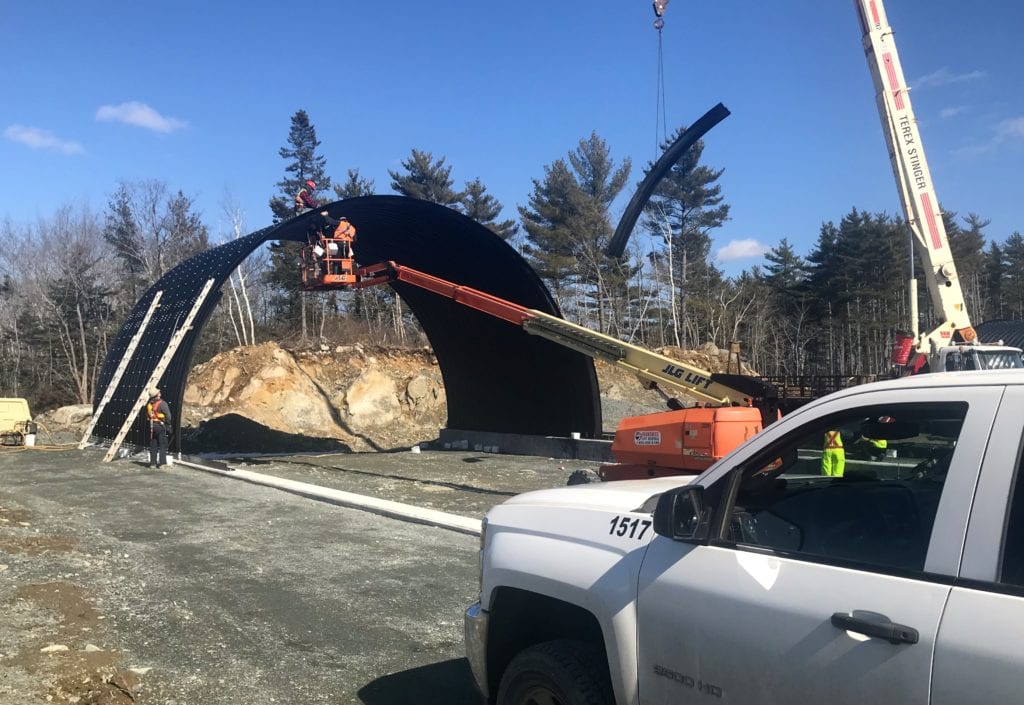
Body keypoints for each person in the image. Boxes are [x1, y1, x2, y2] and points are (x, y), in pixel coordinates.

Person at [147, 388, 172, 468]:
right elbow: (168, 416)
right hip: (161, 426)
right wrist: (168, 424)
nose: (160, 392)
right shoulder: (162, 404)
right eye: (158, 392)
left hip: (152, 426)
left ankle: (153, 463)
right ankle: (162, 463)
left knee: (153, 445)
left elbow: (148, 416)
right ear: (157, 394)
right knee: (162, 444)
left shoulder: (150, 404)